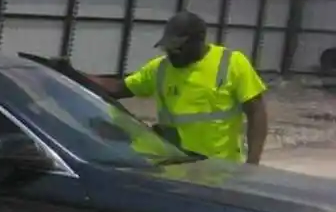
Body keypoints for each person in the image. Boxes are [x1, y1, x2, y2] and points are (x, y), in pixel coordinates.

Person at [87, 10, 268, 164]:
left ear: (199, 41)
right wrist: (70, 73)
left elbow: (256, 113)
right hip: (175, 166)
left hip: (220, 169)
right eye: (168, 49)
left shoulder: (232, 63)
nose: (172, 54)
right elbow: (118, 88)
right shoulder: (160, 69)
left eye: (177, 48)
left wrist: (251, 165)